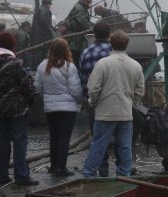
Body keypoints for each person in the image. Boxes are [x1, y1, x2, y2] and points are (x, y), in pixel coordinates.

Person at [82, 30, 145, 177]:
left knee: (98, 146)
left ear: (111, 44)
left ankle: (89, 175)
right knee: (125, 147)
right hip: (125, 113)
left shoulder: (102, 64)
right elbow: (140, 90)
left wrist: (95, 103)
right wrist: (131, 103)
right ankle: (124, 176)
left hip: (104, 113)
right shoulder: (135, 65)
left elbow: (93, 88)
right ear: (127, 44)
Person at [34, 38, 83, 177]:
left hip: (51, 108)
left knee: (54, 137)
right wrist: (80, 101)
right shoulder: (69, 67)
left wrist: (47, 99)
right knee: (64, 138)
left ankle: (53, 165)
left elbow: (38, 87)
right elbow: (76, 90)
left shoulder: (42, 66)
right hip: (68, 109)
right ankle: (61, 168)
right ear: (66, 51)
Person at [0, 31, 39, 186]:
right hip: (17, 110)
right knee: (19, 142)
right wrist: (31, 101)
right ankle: (21, 176)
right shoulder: (16, 63)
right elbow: (28, 86)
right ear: (12, 45)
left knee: (2, 142)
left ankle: (2, 175)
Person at [79, 22, 116, 176]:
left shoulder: (86, 53)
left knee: (98, 137)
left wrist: (88, 97)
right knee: (121, 135)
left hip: (95, 102)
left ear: (94, 35)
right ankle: (124, 169)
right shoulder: (116, 52)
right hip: (116, 100)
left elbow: (82, 78)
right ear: (109, 34)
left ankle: (102, 167)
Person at [64, 0, 93, 69]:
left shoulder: (82, 8)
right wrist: (94, 28)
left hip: (77, 38)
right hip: (74, 39)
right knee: (75, 59)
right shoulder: (79, 8)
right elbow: (83, 23)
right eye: (87, 1)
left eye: (89, 2)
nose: (89, 3)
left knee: (76, 58)